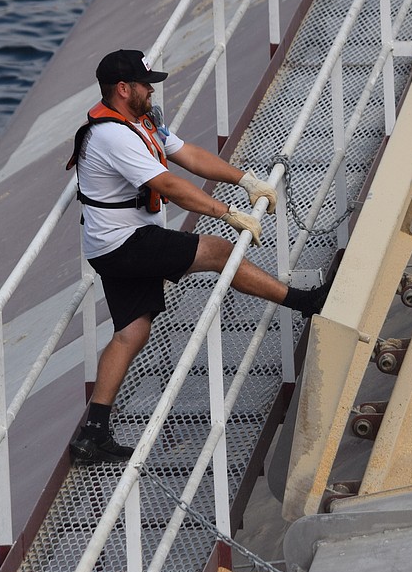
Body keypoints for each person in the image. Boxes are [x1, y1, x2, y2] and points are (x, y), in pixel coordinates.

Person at [66, 49, 328, 464]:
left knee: (132, 332)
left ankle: (93, 432)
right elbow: (168, 184)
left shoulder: (140, 122)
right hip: (124, 244)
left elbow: (188, 155)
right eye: (144, 84)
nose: (151, 90)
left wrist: (245, 180)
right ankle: (305, 303)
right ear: (122, 89)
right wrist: (227, 214)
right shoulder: (112, 135)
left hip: (114, 242)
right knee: (219, 251)